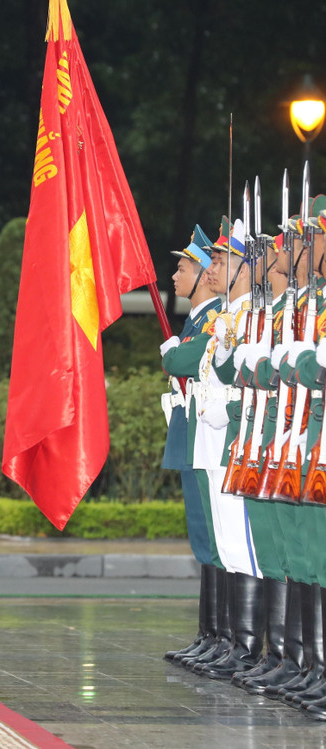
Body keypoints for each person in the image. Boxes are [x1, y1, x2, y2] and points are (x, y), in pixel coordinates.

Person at [160, 228, 222, 665]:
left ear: (202, 275)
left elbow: (180, 361)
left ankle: (223, 639)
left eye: (183, 268)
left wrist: (172, 354)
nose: (174, 275)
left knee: (215, 540)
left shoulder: (215, 318)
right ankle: (211, 635)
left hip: (208, 438)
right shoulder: (197, 321)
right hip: (192, 435)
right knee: (204, 538)